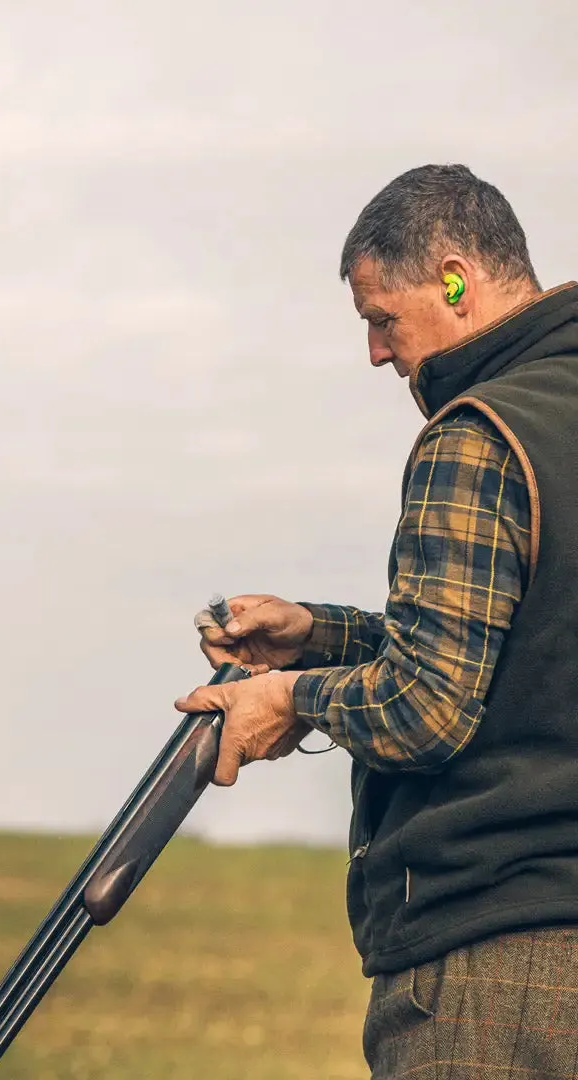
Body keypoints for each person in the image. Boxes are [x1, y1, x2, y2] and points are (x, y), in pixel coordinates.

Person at [176, 164, 578, 1077]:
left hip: (496, 969)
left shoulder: (477, 434)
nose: (376, 354)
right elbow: (526, 650)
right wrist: (316, 634)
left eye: (380, 319)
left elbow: (430, 703)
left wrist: (290, 701)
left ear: (454, 280)